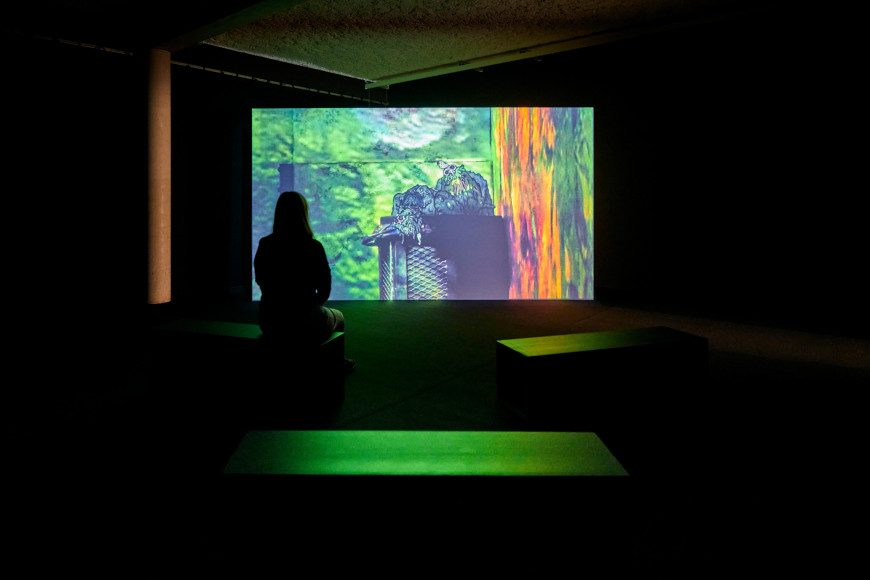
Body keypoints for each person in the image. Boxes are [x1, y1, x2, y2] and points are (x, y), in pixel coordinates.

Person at [254, 191, 354, 372]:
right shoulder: (313, 247)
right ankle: (336, 363)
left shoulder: (265, 244)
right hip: (304, 321)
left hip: (269, 321)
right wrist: (311, 304)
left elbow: (260, 279)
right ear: (304, 214)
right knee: (339, 317)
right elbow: (325, 288)